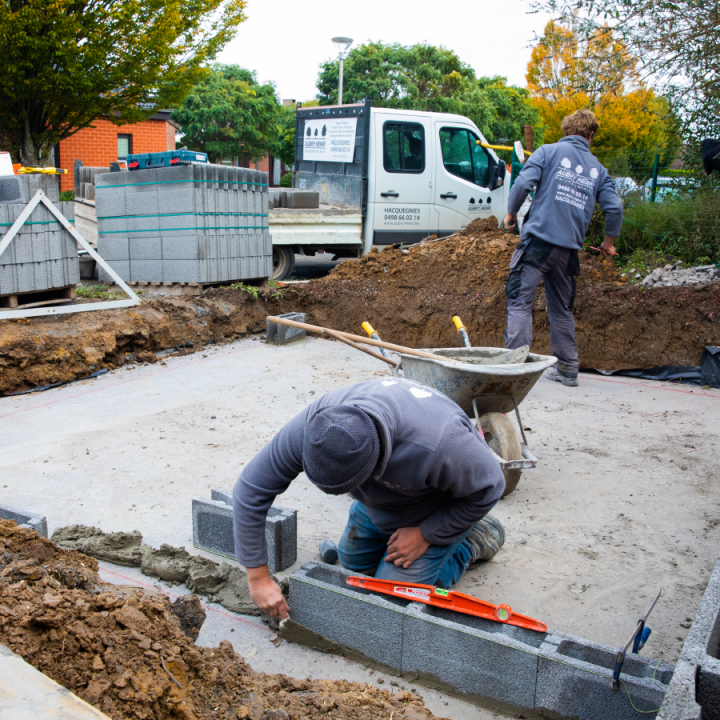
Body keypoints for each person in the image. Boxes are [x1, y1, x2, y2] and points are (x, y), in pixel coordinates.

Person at [232, 377, 507, 619]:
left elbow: (490, 487)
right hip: (380, 499)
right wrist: (258, 579)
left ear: (376, 465)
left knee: (388, 604)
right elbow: (250, 489)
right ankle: (374, 521)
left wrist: (427, 534)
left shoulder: (440, 445)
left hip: (430, 508)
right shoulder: (319, 424)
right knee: (354, 574)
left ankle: (469, 544)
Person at [503, 109, 624, 387]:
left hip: (538, 245)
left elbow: (523, 182)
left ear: (566, 131)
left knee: (520, 302)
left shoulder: (547, 152)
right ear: (591, 136)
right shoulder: (598, 170)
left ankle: (512, 370)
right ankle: (568, 367)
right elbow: (614, 207)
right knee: (561, 308)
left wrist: (511, 212)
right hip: (568, 251)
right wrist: (608, 243)